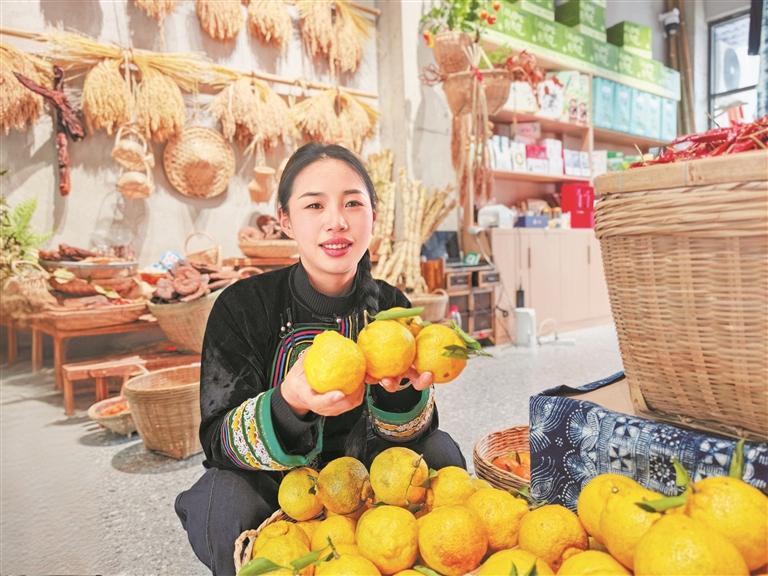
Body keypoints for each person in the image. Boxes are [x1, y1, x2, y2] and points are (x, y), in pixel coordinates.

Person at [175, 143, 466, 576]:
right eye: (315, 205)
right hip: (276, 484)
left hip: (370, 478)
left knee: (441, 454)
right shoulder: (242, 307)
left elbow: (416, 431)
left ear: (373, 215)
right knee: (221, 503)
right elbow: (217, 441)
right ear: (286, 221)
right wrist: (286, 404)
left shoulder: (391, 305)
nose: (337, 221)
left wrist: (400, 392)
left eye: (353, 202)